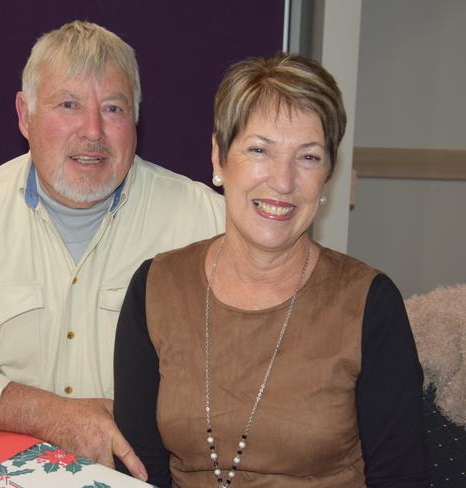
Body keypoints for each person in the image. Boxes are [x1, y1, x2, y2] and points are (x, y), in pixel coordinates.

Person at [0, 20, 224, 481]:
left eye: (113, 108)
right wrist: (53, 416)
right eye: (68, 104)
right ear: (24, 115)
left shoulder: (205, 224)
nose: (92, 130)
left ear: (136, 120)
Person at [113, 53, 429, 487]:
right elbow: (139, 471)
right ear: (219, 158)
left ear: (327, 176)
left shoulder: (370, 303)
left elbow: (400, 478)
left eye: (308, 157)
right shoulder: (154, 289)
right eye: (260, 150)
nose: (282, 181)